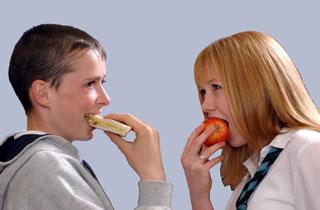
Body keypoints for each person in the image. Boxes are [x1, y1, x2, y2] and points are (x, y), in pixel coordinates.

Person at [0, 24, 172, 210]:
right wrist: (153, 178)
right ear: (43, 93)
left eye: (102, 82)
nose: (106, 99)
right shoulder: (48, 168)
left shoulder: (25, 160)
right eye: (90, 84)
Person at [181, 31, 320, 210]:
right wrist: (199, 195)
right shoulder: (251, 176)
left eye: (216, 87)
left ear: (255, 86)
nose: (205, 106)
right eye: (202, 92)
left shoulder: (308, 149)